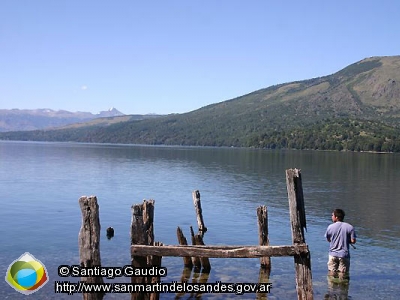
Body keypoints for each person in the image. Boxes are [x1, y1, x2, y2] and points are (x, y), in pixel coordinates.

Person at [324, 209, 356, 279]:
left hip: (332, 254)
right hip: (344, 255)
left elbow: (328, 239)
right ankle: (342, 288)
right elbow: (353, 241)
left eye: (332, 215)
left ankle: (331, 289)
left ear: (336, 217)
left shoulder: (330, 227)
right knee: (343, 275)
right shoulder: (350, 227)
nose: (331, 217)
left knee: (331, 275)